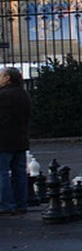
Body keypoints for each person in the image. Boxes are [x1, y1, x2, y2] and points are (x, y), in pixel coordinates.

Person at [0, 67, 31, 216]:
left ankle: (6, 204)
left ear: (7, 78)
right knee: (20, 173)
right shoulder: (23, 94)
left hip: (3, 140)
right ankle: (21, 204)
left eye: (1, 75)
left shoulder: (3, 95)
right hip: (21, 138)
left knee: (2, 172)